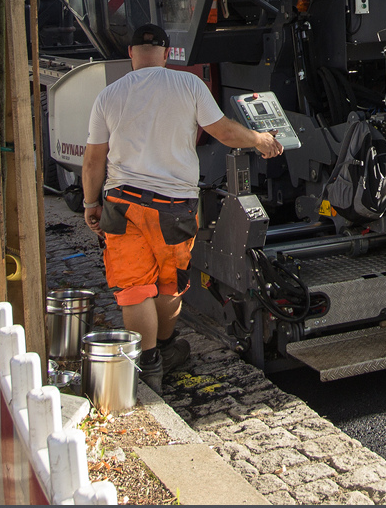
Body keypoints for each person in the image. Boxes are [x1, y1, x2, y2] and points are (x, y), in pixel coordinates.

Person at [82, 24, 283, 389]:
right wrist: (260, 140)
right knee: (167, 285)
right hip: (173, 206)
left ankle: (149, 365)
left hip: (122, 204)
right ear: (165, 52)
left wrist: (90, 203)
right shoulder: (189, 85)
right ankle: (164, 348)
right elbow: (223, 131)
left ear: (131, 54)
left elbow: (94, 160)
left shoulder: (108, 96)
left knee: (133, 288)